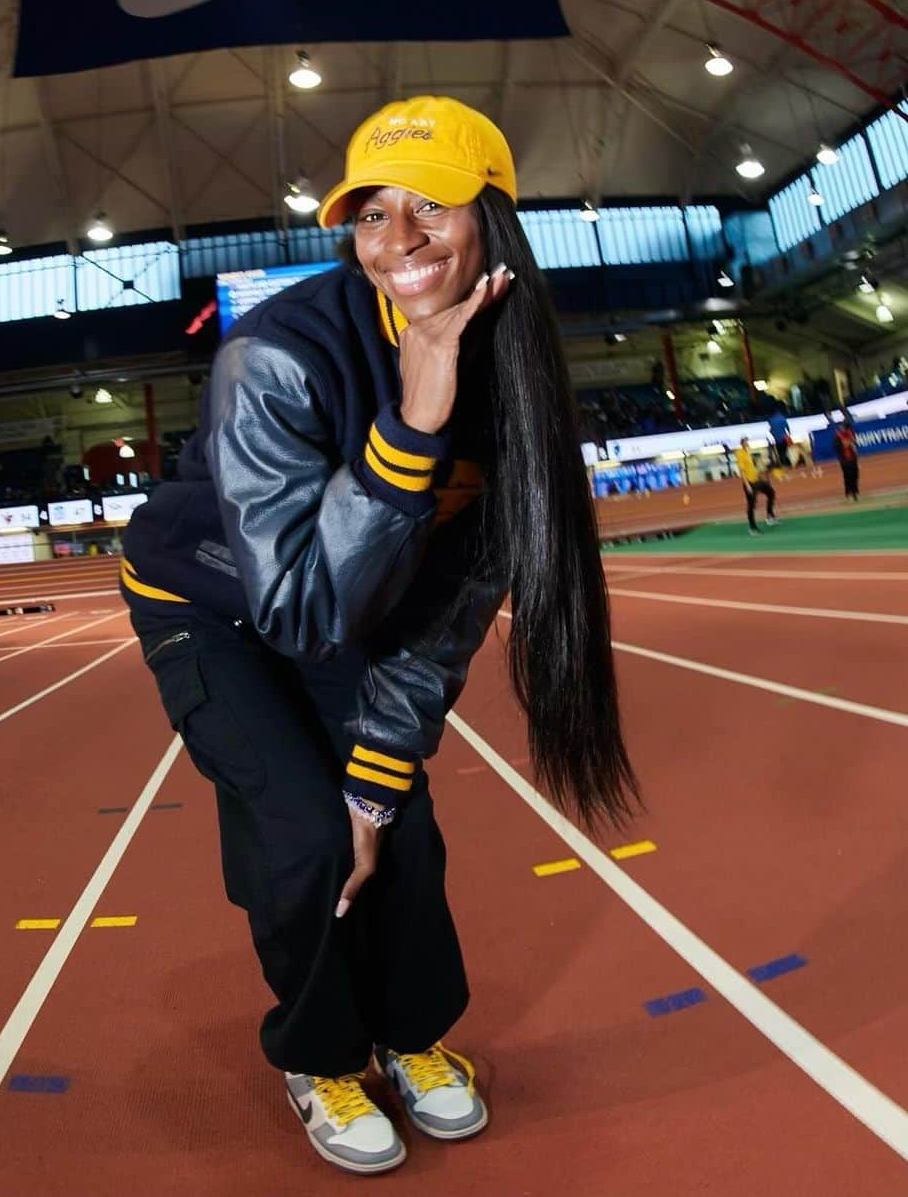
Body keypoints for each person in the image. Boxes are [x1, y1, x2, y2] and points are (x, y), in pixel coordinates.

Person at [120, 96, 638, 1176]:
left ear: (494, 217)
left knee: (391, 823)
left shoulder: (520, 380)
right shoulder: (271, 359)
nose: (396, 241)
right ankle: (318, 1055)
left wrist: (375, 783)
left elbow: (446, 615)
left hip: (353, 595)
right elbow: (300, 611)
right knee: (304, 838)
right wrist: (410, 426)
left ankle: (411, 1036)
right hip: (209, 602)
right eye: (370, 215)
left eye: (430, 208)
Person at [735, 436, 777, 534]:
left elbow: (752, 468)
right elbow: (742, 471)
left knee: (771, 492)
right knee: (751, 505)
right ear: (742, 443)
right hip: (749, 483)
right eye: (746, 442)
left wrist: (760, 475)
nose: (748, 443)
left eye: (748, 441)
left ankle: (770, 517)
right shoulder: (740, 454)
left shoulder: (747, 452)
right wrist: (747, 485)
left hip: (756, 480)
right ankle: (752, 528)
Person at [833, 416, 860, 499]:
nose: (846, 429)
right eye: (845, 427)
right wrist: (845, 445)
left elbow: (855, 443)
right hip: (844, 458)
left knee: (855, 474)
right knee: (848, 475)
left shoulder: (850, 432)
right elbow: (837, 448)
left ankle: (855, 490)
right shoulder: (837, 436)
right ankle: (848, 492)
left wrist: (853, 443)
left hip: (852, 457)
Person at [767, 403, 791, 467]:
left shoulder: (770, 419)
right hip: (784, 438)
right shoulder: (782, 417)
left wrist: (772, 432)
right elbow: (787, 427)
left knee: (780, 452)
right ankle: (785, 462)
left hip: (777, 439)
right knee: (784, 451)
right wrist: (789, 433)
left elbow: (770, 429)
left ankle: (783, 463)